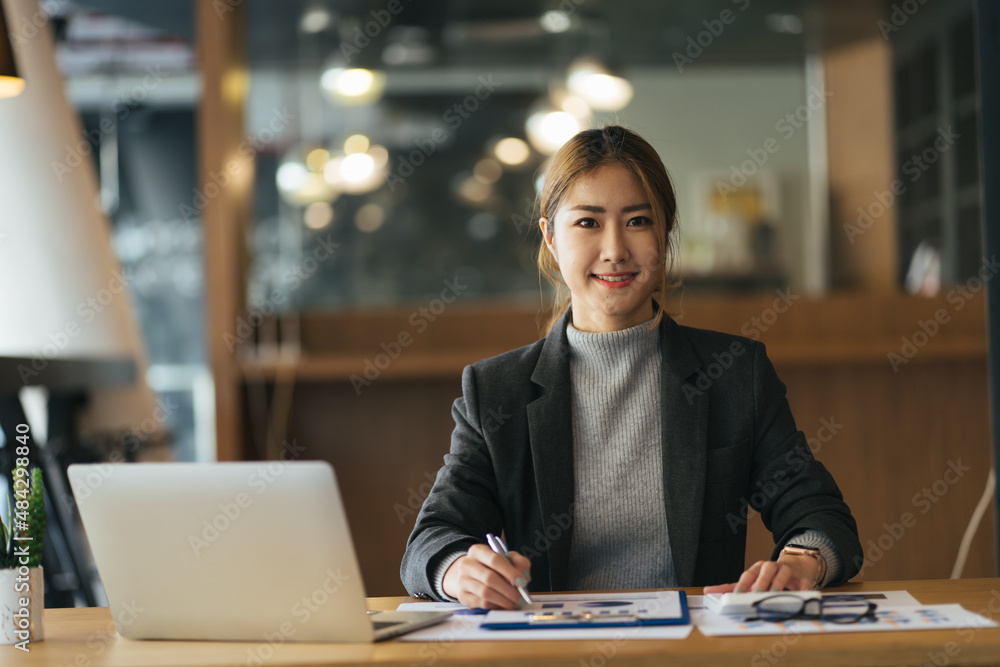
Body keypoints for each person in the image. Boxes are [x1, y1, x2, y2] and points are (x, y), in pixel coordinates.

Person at [400, 125, 862, 610]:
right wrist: (456, 569)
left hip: (692, 651)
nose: (615, 249)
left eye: (638, 220)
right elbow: (431, 539)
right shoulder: (497, 391)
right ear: (551, 238)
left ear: (665, 234)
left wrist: (801, 560)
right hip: (553, 651)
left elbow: (820, 514)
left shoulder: (733, 373)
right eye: (588, 223)